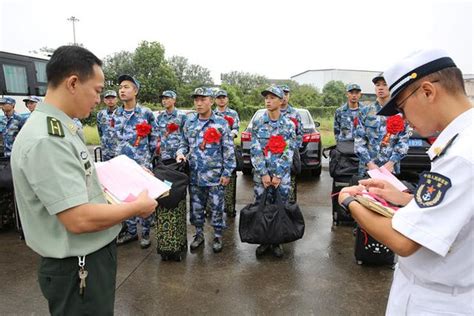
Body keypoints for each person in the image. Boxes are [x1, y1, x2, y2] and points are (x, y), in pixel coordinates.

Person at [10, 45, 157, 315]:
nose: (100, 99)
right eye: (98, 90)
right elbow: (78, 218)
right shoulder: (48, 139)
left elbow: (78, 172)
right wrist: (137, 207)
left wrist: (126, 174)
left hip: (87, 259)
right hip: (78, 265)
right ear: (73, 83)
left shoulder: (60, 128)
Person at [338, 48, 473, 315]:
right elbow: (459, 209)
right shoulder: (463, 141)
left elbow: (403, 241)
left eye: (401, 107)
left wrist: (350, 200)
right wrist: (404, 198)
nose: (404, 119)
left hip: (438, 301)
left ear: (427, 92)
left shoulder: (462, 156)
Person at [176, 87, 235, 253]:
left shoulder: (221, 123)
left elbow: (228, 150)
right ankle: (199, 234)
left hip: (215, 175)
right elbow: (183, 143)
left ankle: (217, 235)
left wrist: (227, 173)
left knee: (217, 207)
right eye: (196, 100)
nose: (199, 103)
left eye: (203, 99)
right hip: (195, 175)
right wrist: (180, 153)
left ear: (211, 100)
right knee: (196, 207)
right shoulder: (189, 122)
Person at [115, 74, 159, 249]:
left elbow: (155, 138)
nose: (122, 90)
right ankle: (131, 232)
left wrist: (147, 158)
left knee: (143, 198)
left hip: (141, 164)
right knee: (127, 199)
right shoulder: (116, 114)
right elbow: (112, 137)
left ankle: (146, 233)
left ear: (135, 90)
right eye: (120, 87)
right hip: (122, 164)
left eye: (126, 87)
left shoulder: (145, 113)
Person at [251, 85, 296, 258]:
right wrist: (263, 173)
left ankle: (276, 241)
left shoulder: (288, 125)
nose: (268, 101)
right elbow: (255, 150)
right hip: (261, 176)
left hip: (281, 177)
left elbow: (289, 151)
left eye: (272, 97)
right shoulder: (258, 122)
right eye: (266, 98)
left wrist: (277, 175)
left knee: (279, 207)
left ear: (280, 100)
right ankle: (263, 240)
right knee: (261, 207)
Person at [354, 74, 410, 176]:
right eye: (377, 85)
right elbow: (359, 141)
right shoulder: (365, 111)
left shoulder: (400, 113)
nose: (380, 87)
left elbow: (403, 142)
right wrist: (369, 164)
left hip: (390, 169)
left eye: (385, 84)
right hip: (368, 168)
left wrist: (391, 162)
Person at [213, 89, 240, 216]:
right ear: (215, 100)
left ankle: (230, 208)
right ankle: (211, 208)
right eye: (219, 98)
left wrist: (228, 135)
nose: (221, 99)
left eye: (223, 97)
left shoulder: (233, 113)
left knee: (230, 178)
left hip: (228, 149)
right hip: (214, 151)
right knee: (214, 178)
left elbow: (236, 128)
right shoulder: (212, 114)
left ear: (227, 99)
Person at [279, 84, 303, 203]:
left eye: (286, 94)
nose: (284, 96)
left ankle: (290, 209)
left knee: (290, 185)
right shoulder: (270, 113)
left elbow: (300, 134)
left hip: (290, 155)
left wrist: (293, 149)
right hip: (274, 155)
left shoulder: (295, 114)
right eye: (281, 93)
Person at [155, 90, 187, 165]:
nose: (164, 101)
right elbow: (158, 135)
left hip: (177, 155)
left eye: (167, 98)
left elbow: (185, 136)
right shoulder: (160, 117)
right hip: (163, 155)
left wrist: (181, 152)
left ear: (174, 100)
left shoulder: (182, 116)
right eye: (163, 99)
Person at [96, 90, 119, 161]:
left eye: (112, 98)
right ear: (104, 100)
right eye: (108, 98)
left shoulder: (122, 112)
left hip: (118, 148)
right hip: (106, 149)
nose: (110, 100)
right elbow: (100, 130)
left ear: (117, 99)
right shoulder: (101, 114)